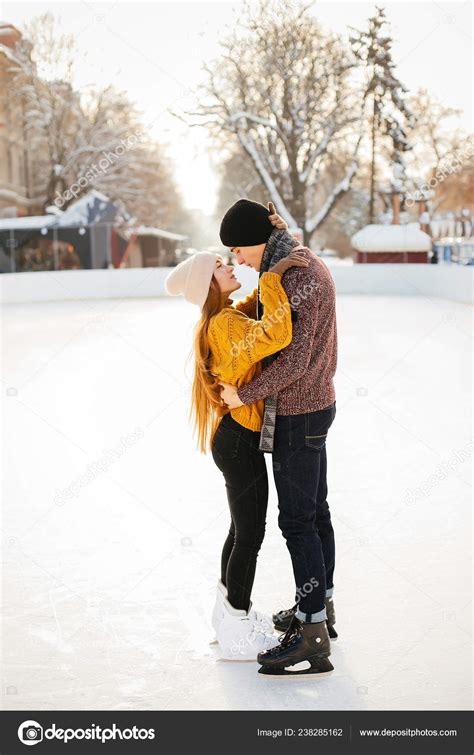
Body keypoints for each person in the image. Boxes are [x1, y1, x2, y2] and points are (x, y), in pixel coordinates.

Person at [164, 209, 309, 661]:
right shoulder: (223, 325)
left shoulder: (220, 319)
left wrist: (266, 281)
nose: (230, 265)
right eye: (221, 267)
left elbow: (250, 321)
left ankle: (227, 615)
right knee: (250, 534)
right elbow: (276, 332)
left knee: (240, 530)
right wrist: (273, 277)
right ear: (210, 283)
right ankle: (238, 626)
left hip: (234, 440)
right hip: (239, 443)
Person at [219, 199, 338, 677]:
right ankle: (320, 610)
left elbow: (293, 362)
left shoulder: (297, 276)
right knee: (316, 513)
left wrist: (240, 394)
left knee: (298, 523)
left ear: (256, 240)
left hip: (298, 412)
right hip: (312, 407)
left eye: (238, 250)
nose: (237, 261)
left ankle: (311, 636)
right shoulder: (292, 265)